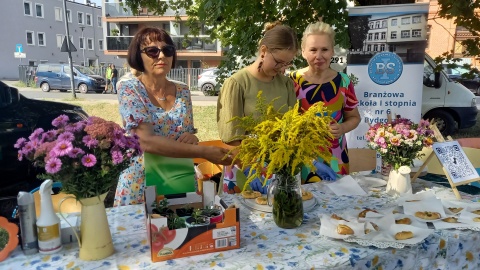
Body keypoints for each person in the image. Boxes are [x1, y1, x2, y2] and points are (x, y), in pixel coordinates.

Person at [113, 27, 232, 206]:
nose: (161, 56)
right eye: (152, 51)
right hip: (141, 184)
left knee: (186, 230)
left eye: (167, 50)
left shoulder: (183, 90)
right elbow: (146, 142)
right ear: (139, 56)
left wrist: (192, 138)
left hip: (178, 178)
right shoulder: (129, 87)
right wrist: (204, 152)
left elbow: (188, 134)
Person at [217, 21, 299, 194]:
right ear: (263, 51)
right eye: (278, 62)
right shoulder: (237, 83)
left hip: (280, 167)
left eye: (288, 63)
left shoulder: (286, 84)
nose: (283, 68)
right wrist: (251, 168)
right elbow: (231, 139)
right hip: (243, 167)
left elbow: (292, 130)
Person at [289, 21, 361, 181]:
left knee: (336, 202)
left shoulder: (344, 82)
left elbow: (355, 117)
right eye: (313, 49)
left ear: (332, 51)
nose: (319, 56)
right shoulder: (291, 81)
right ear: (303, 52)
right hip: (299, 159)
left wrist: (342, 127)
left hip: (336, 159)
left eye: (324, 49)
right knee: (302, 202)